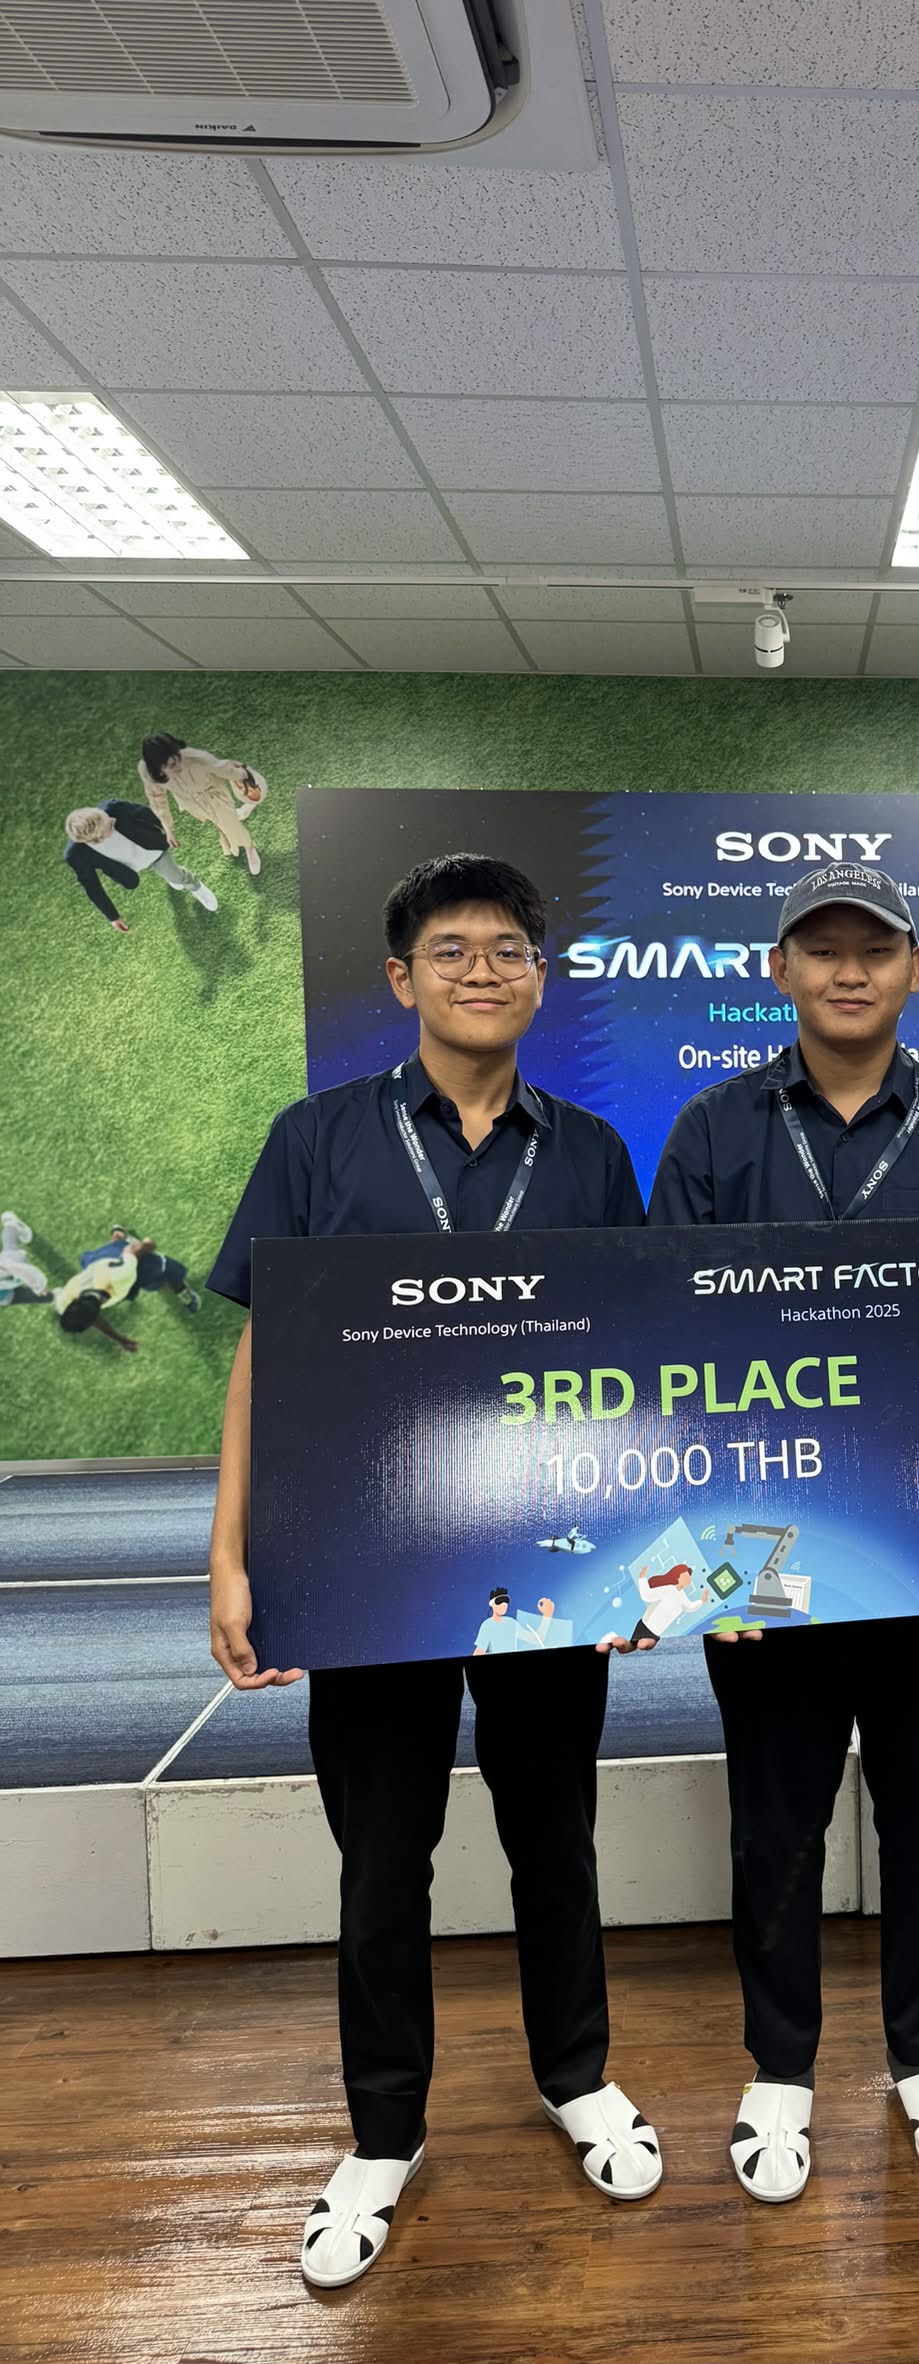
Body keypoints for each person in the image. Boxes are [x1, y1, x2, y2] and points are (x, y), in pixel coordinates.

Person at [205, 852, 658, 2291]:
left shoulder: (590, 1153)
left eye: (509, 949)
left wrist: (643, 1566)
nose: (482, 971)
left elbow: (632, 1372)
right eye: (451, 950)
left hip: (550, 1559)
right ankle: (383, 2132)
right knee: (384, 1857)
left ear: (540, 978)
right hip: (363, 1561)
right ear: (401, 979)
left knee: (554, 1838)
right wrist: (230, 1556)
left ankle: (576, 2074)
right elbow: (263, 1356)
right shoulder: (318, 1138)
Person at [648, 862, 919, 2206]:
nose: (847, 970)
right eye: (819, 948)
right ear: (780, 972)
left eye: (873, 949)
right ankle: (779, 2067)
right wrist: (698, 1561)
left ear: (913, 970)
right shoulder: (713, 1131)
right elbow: (664, 1346)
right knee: (775, 1820)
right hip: (760, 1542)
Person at [63, 801, 217, 929]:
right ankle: (172, 877)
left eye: (106, 817)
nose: (113, 820)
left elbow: (145, 812)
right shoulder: (76, 855)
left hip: (152, 851)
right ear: (98, 839)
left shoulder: (112, 808)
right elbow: (92, 887)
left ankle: (196, 886)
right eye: (109, 826)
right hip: (129, 868)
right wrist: (113, 917)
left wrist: (168, 830)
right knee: (170, 875)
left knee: (176, 877)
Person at [139, 734, 268, 875]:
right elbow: (156, 799)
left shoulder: (194, 756)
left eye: (175, 761)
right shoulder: (147, 771)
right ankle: (229, 826)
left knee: (231, 824)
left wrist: (244, 776)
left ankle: (249, 846)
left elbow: (222, 767)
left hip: (213, 794)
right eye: (168, 766)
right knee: (218, 820)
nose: (175, 767)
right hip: (190, 802)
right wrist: (168, 828)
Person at [50, 1239, 141, 1352]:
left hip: (110, 1259)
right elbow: (91, 1318)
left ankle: (119, 1238)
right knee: (86, 1258)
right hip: (92, 1264)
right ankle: (117, 1237)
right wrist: (121, 1340)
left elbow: (131, 1251)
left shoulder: (120, 1277)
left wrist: (136, 1248)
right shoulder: (66, 1302)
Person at [96, 1226, 202, 1311]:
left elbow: (149, 1244)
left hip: (156, 1265)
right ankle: (123, 1236)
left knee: (175, 1280)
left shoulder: (125, 1257)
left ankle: (185, 1295)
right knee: (159, 1285)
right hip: (142, 1278)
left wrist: (143, 1248)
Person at [627, 1561, 710, 1648]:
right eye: (686, 1576)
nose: (689, 1579)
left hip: (657, 1632)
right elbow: (647, 1595)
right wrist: (642, 1579)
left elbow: (689, 1607)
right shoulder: (668, 1589)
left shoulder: (682, 1596)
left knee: (642, 1648)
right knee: (633, 1647)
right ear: (678, 1577)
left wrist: (702, 1601)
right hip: (645, 1626)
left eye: (689, 1577)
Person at [0, 1209, 49, 1306]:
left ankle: (12, 1225)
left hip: (12, 1263)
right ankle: (11, 1225)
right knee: (9, 1248)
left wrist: (39, 1285)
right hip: (8, 1280)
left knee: (10, 1248)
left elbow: (20, 1270)